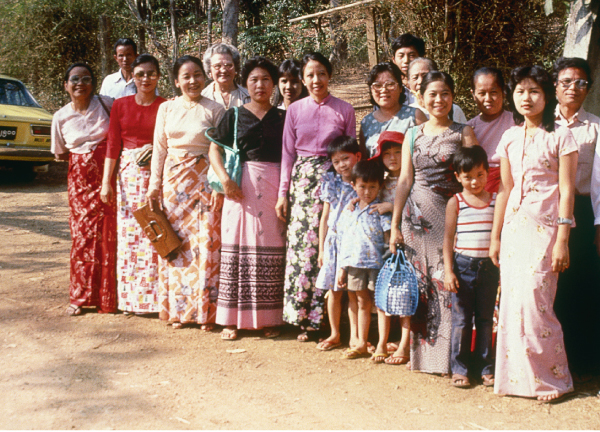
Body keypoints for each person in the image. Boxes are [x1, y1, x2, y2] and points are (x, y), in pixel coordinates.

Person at [489, 65, 577, 402]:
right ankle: (516, 380)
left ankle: (553, 380)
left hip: (547, 229)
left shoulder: (561, 136)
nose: (527, 98)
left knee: (536, 302)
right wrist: (496, 236)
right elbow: (505, 189)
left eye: (534, 91)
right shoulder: (509, 137)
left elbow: (567, 191)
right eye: (520, 91)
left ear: (547, 95)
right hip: (514, 229)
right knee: (513, 303)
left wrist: (562, 239)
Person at [389, 71, 478, 374]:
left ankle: (453, 360)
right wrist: (395, 225)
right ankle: (424, 359)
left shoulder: (464, 132)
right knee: (421, 285)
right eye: (432, 94)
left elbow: (472, 175)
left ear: (453, 96)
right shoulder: (412, 134)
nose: (439, 100)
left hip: (451, 216)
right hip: (415, 219)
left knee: (448, 283)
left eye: (445, 94)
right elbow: (404, 180)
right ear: (421, 98)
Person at [276, 52, 356, 342]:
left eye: (321, 73)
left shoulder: (344, 109)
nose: (316, 80)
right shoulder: (295, 110)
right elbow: (287, 153)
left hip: (336, 179)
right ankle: (301, 318)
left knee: (331, 245)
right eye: (310, 75)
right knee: (303, 249)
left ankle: (327, 321)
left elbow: (351, 151)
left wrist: (351, 186)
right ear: (303, 79)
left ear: (329, 76)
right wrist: (283, 193)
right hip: (303, 183)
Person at [209, 56, 287, 340]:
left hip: (275, 187)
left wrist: (285, 192)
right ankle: (231, 320)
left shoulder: (284, 117)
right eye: (254, 79)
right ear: (245, 83)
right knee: (237, 247)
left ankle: (270, 318)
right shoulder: (233, 115)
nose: (260, 85)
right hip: (239, 189)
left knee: (272, 245)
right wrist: (226, 181)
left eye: (266, 79)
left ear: (274, 84)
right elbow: (214, 150)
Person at [147, 55, 225, 330]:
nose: (193, 81)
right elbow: (159, 149)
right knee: (175, 246)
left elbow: (222, 152)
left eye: (197, 75)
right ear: (177, 81)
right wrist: (154, 185)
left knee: (205, 246)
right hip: (173, 186)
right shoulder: (166, 109)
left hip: (204, 184)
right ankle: (178, 311)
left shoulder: (216, 109)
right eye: (186, 76)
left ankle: (205, 313)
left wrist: (219, 186)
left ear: (205, 77)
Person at [100, 54, 166, 315]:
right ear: (133, 77)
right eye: (140, 74)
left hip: (157, 174)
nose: (145, 79)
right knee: (130, 236)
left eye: (151, 73)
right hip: (128, 177)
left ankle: (157, 299)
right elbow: (112, 144)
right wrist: (106, 182)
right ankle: (130, 300)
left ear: (158, 76)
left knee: (155, 231)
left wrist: (154, 150)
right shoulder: (120, 105)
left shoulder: (166, 106)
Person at [51, 63, 117, 316]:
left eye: (86, 79)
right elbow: (60, 153)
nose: (81, 84)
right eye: (75, 79)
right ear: (65, 85)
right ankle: (80, 297)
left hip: (110, 179)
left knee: (110, 235)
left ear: (93, 83)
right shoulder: (60, 117)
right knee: (82, 237)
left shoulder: (107, 104)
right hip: (80, 184)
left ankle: (109, 299)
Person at [553, 57, 600, 380]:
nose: (573, 88)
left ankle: (585, 364)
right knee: (551, 285)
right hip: (547, 211)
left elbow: (599, 182)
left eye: (581, 83)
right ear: (555, 86)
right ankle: (554, 361)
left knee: (583, 283)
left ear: (589, 89)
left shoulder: (595, 127)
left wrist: (598, 225)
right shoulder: (542, 123)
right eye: (566, 82)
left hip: (583, 212)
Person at [443, 146, 498, 388]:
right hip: (462, 267)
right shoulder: (455, 202)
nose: (474, 181)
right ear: (458, 176)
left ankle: (485, 367)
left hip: (489, 267)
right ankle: (460, 368)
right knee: (462, 320)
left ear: (487, 172)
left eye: (479, 175)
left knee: (485, 319)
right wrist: (448, 271)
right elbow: (447, 239)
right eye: (468, 177)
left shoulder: (495, 201)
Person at [363, 131, 412, 365]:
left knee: (405, 294)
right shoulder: (381, 183)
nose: (393, 158)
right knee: (382, 293)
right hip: (383, 245)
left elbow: (416, 208)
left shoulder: (412, 180)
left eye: (398, 152)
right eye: (387, 154)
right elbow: (368, 198)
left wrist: (392, 207)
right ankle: (382, 341)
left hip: (407, 243)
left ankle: (404, 343)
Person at [336, 160, 391, 359]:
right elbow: (343, 239)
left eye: (372, 187)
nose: (367, 192)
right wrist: (342, 267)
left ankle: (382, 345)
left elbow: (388, 239)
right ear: (354, 185)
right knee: (361, 302)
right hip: (354, 263)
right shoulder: (350, 210)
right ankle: (360, 342)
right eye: (362, 186)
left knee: (381, 304)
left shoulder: (381, 211)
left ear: (380, 186)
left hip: (378, 265)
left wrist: (389, 264)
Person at [314, 136, 361, 351]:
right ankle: (334, 334)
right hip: (333, 242)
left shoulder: (363, 179)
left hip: (355, 243)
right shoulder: (330, 181)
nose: (342, 164)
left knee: (353, 291)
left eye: (345, 158)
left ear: (357, 156)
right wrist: (321, 249)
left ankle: (355, 337)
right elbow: (325, 216)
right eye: (336, 161)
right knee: (334, 291)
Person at [359, 62, 426, 158]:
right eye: (377, 85)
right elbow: (364, 160)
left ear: (400, 88)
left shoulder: (415, 116)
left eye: (390, 84)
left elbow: (427, 153)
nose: (383, 90)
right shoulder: (366, 123)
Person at [467, 67, 515, 193]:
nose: (488, 98)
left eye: (493, 92)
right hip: (481, 184)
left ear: (503, 92)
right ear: (473, 95)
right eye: (482, 93)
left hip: (511, 180)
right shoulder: (469, 129)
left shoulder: (517, 122)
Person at [407, 58, 468, 124]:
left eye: (425, 76)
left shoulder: (454, 110)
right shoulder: (407, 112)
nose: (420, 81)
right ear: (408, 82)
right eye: (415, 77)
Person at [202, 43, 250, 109]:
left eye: (228, 65)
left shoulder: (249, 96)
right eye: (217, 66)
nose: (223, 70)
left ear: (235, 68)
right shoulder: (202, 98)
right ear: (210, 70)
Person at [390, 33, 425, 105]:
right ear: (394, 60)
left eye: (411, 55)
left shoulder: (430, 83)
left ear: (421, 58)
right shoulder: (389, 86)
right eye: (401, 56)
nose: (406, 60)